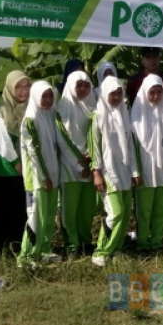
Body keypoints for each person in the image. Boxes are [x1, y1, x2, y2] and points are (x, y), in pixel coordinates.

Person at [90, 76, 140, 266]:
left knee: (126, 213)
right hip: (108, 172)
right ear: (104, 94)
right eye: (113, 93)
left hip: (125, 171)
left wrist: (135, 172)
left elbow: (130, 146)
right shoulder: (98, 116)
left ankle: (116, 247)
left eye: (120, 93)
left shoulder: (124, 112)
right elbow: (94, 147)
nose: (117, 96)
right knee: (116, 213)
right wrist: (96, 172)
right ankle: (101, 250)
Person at [17, 81, 65, 266]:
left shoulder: (50, 115)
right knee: (36, 216)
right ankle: (26, 255)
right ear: (36, 96)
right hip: (37, 178)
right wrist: (44, 177)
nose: (47, 100)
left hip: (52, 174)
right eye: (44, 96)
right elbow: (33, 152)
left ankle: (43, 250)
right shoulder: (30, 120)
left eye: (50, 96)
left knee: (49, 214)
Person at [0, 70, 30, 256]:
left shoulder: (31, 108)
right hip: (4, 170)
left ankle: (17, 246)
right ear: (10, 88)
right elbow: (1, 140)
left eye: (27, 86)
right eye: (18, 87)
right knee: (1, 210)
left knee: (21, 211)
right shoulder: (0, 109)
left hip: (26, 170)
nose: (23, 91)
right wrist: (15, 162)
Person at [131, 74, 163, 252]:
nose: (156, 96)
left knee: (161, 208)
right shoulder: (136, 114)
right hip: (145, 168)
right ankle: (142, 242)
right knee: (144, 210)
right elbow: (133, 145)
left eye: (159, 92)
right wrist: (136, 172)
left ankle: (157, 241)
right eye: (152, 93)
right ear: (144, 93)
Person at [56, 70, 97, 257]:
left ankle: (85, 241)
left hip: (89, 164)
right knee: (69, 209)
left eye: (86, 85)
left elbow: (97, 136)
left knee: (86, 208)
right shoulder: (62, 108)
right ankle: (71, 244)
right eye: (78, 85)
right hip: (69, 166)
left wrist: (90, 158)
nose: (82, 89)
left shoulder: (93, 106)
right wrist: (78, 163)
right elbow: (62, 140)